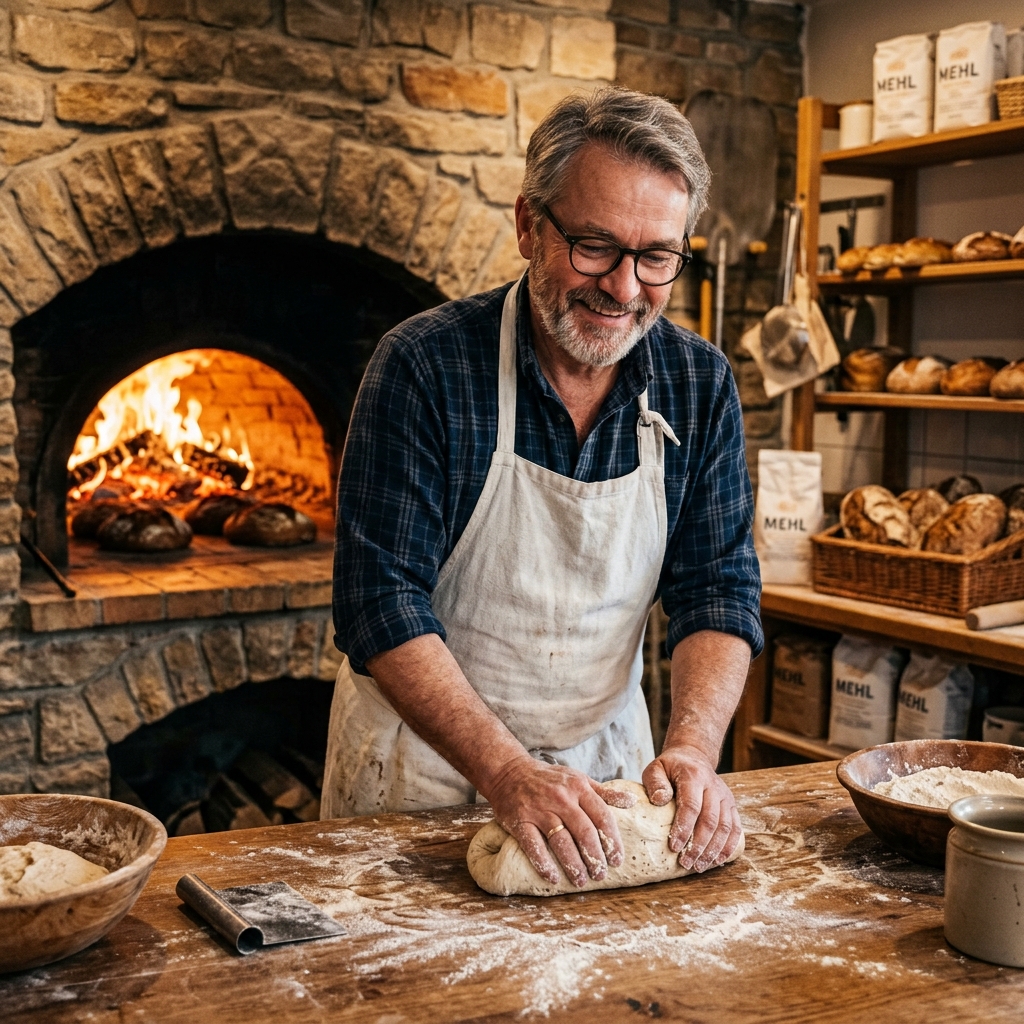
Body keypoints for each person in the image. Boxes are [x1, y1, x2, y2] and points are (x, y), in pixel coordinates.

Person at [324, 87, 763, 890]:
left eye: (657, 257)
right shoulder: (425, 366)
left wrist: (695, 752)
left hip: (607, 776)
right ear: (529, 224)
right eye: (594, 246)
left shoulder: (699, 385)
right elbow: (378, 600)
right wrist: (508, 772)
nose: (625, 289)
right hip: (419, 777)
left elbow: (719, 588)